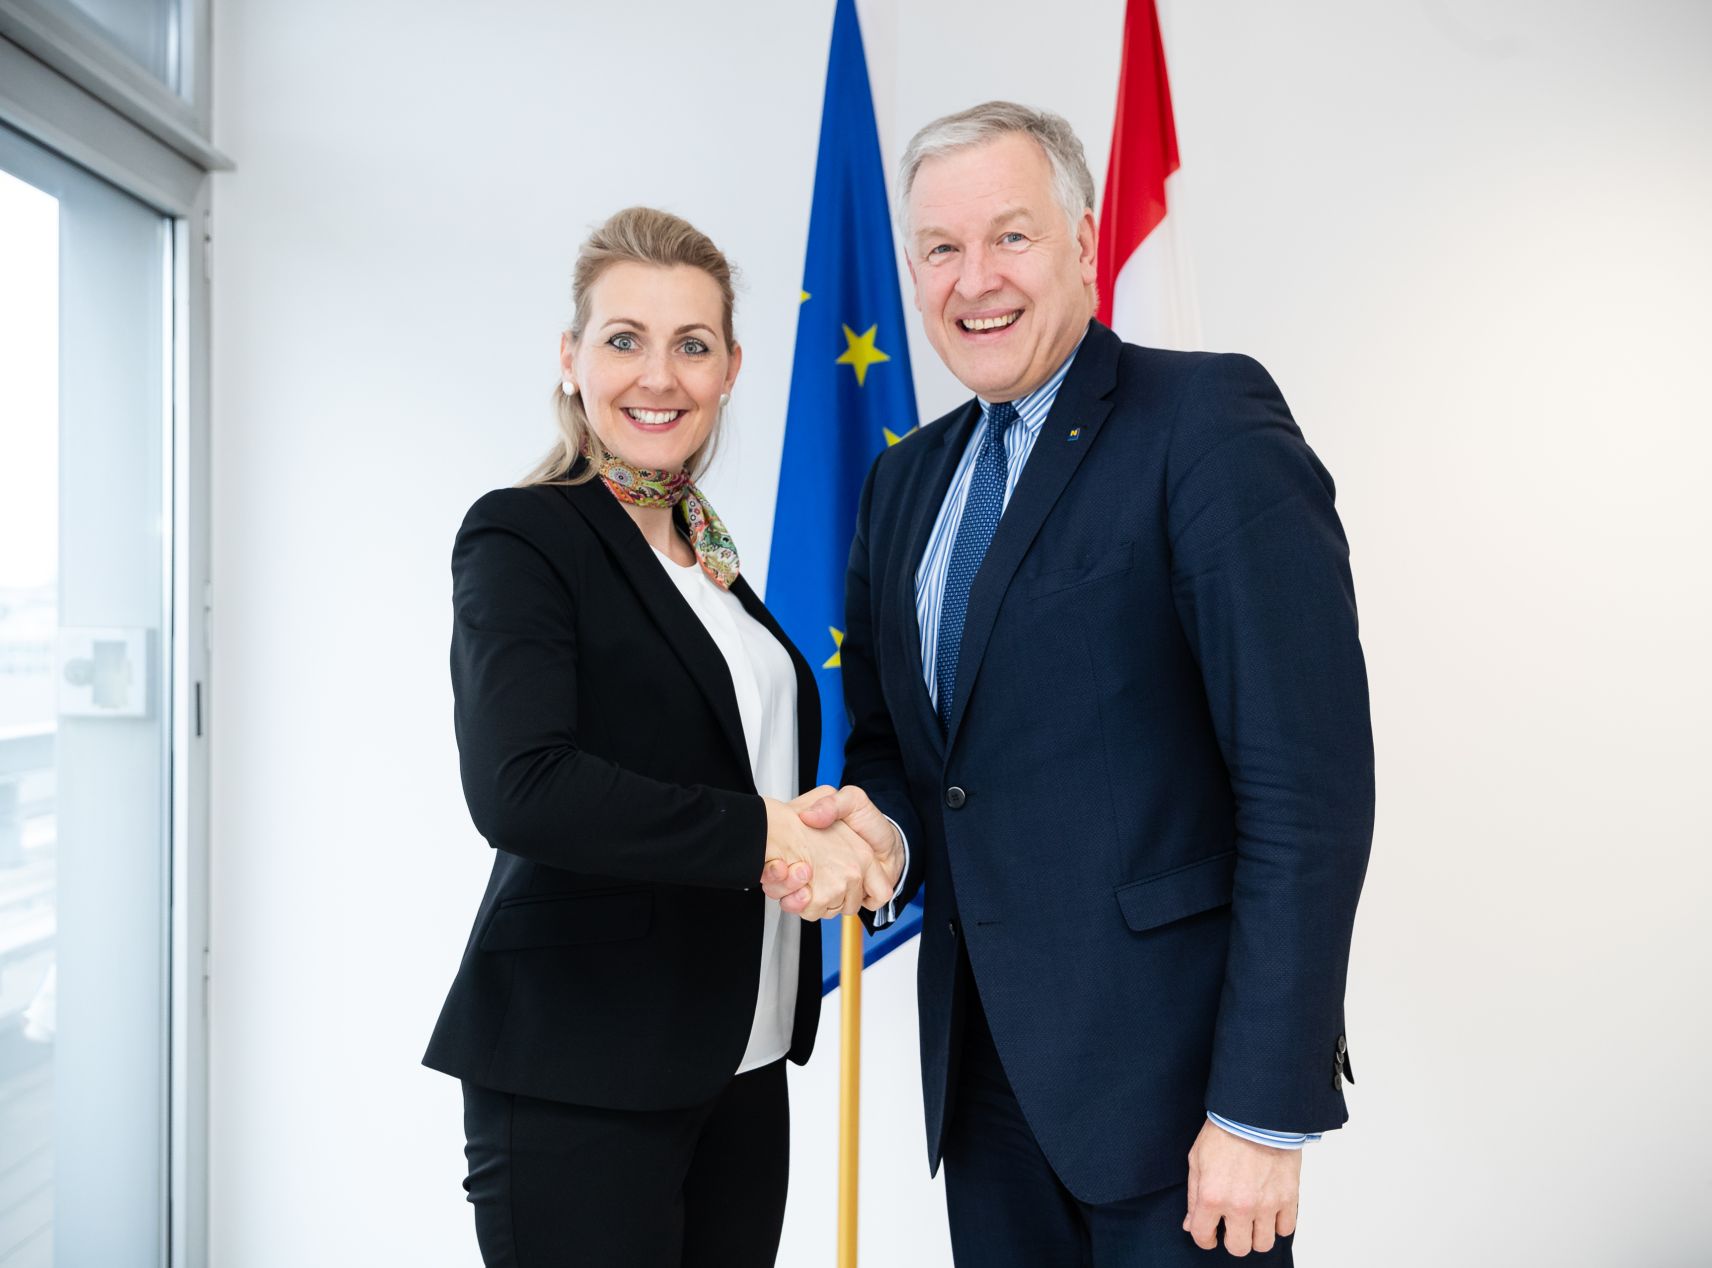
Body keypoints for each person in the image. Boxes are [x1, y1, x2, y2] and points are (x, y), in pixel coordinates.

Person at [772, 102, 1375, 1264]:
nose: (973, 279)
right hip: (983, 1086)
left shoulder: (1204, 423)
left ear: (1084, 242)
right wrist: (882, 842)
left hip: (1178, 1102)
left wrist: (1259, 1105)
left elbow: (1306, 786)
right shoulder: (903, 482)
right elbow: (901, 747)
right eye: (940, 249)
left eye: (1010, 235)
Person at [423, 206, 901, 1268]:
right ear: (572, 356)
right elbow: (521, 786)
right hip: (582, 1065)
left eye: (691, 344)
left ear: (730, 366)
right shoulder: (526, 532)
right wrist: (772, 834)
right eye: (623, 338)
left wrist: (838, 826)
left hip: (743, 1054)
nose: (659, 375)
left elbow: (737, 765)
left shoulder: (712, 561)